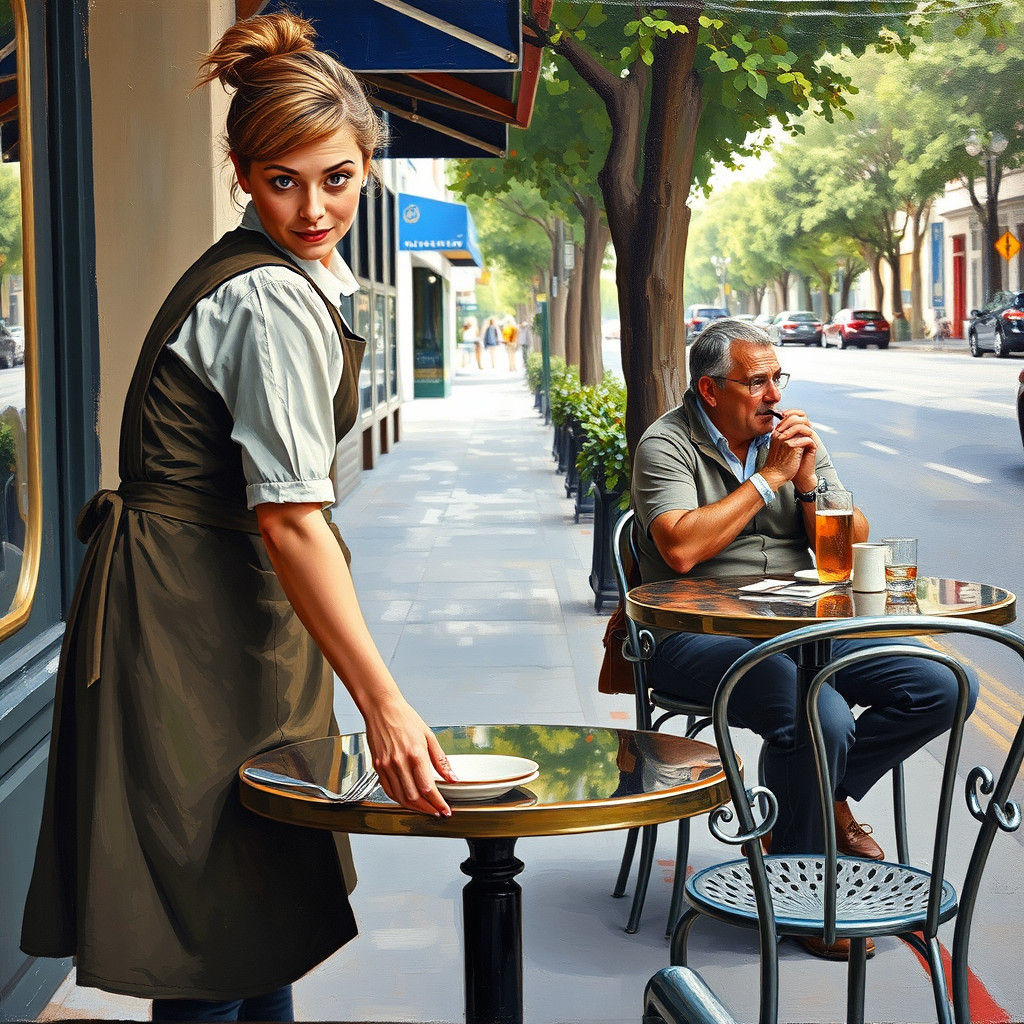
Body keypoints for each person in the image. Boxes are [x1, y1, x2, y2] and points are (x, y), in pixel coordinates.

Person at [20, 12, 456, 1021]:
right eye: (282, 180)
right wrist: (385, 704)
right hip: (193, 630)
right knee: (215, 930)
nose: (312, 207)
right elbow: (292, 520)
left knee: (249, 922)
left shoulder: (276, 274)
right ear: (239, 167)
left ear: (366, 164)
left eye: (336, 178)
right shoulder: (265, 297)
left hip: (216, 617)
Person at [631, 318, 976, 960]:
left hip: (802, 627)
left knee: (944, 685)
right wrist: (767, 480)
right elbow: (679, 548)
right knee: (822, 716)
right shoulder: (666, 444)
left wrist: (810, 482)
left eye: (776, 378)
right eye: (755, 381)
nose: (772, 393)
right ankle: (799, 904)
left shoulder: (793, 439)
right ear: (710, 391)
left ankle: (825, 796)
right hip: (695, 634)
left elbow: (848, 551)